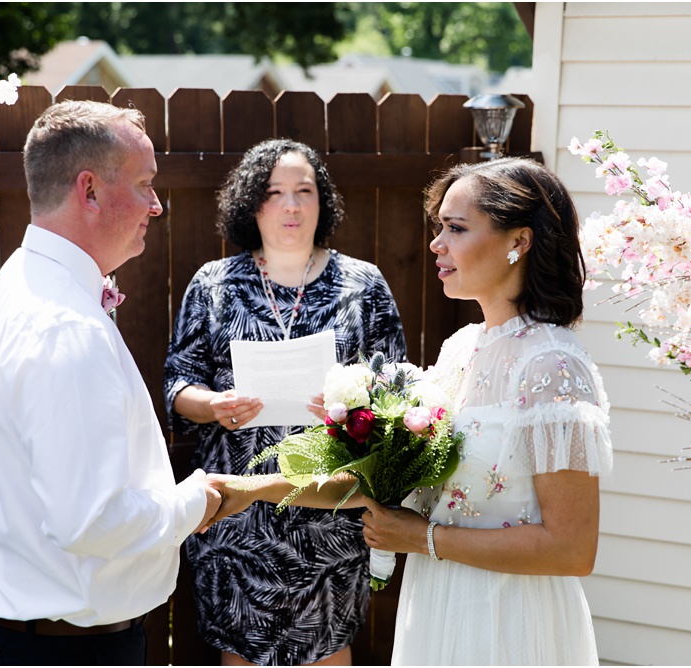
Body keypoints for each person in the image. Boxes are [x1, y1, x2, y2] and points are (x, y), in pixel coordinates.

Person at [206, 157, 614, 665]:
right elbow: (381, 479)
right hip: (437, 607)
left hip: (508, 622)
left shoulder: (553, 366)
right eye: (439, 226)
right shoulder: (460, 350)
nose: (436, 244)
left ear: (518, 241)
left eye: (456, 229)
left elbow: (572, 549)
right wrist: (255, 489)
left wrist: (424, 539)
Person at [0, 100, 225, 666]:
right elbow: (92, 521)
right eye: (145, 183)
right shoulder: (64, 327)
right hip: (72, 649)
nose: (157, 205)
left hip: (39, 635)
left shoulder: (24, 277)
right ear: (89, 191)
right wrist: (194, 502)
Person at [163, 139, 407, 666]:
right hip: (236, 519)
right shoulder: (214, 284)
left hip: (330, 519)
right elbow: (178, 384)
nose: (291, 206)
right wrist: (213, 404)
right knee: (241, 653)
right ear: (251, 205)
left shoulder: (363, 285)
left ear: (323, 202)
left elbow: (396, 394)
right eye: (274, 193)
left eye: (304, 191)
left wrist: (353, 409)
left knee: (328, 650)